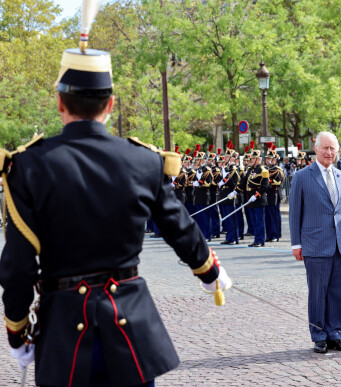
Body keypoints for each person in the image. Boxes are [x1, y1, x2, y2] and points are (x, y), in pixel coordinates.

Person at [0, 43, 231, 386]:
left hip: (63, 332)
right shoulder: (144, 160)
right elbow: (179, 227)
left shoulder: (28, 166)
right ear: (110, 104)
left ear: (60, 103)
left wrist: (17, 330)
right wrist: (210, 272)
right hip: (131, 332)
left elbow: (18, 264)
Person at [289, 131, 341, 354]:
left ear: (337, 151)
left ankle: (335, 333)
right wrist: (296, 244)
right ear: (315, 149)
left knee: (338, 292)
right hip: (315, 245)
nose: (329, 152)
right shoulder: (302, 176)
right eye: (325, 148)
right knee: (318, 293)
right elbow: (295, 213)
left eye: (332, 148)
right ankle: (319, 335)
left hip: (339, 244)